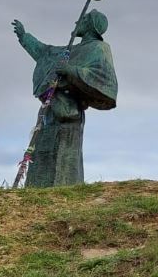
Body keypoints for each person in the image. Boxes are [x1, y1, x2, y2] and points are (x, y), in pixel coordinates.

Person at [12, 11, 118, 187]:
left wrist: (70, 71)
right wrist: (24, 37)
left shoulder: (99, 48)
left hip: (69, 111)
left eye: (83, 19)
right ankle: (36, 187)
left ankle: (63, 187)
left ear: (91, 25)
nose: (78, 21)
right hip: (50, 109)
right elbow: (45, 52)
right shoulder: (70, 50)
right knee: (42, 152)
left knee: (64, 157)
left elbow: (103, 78)